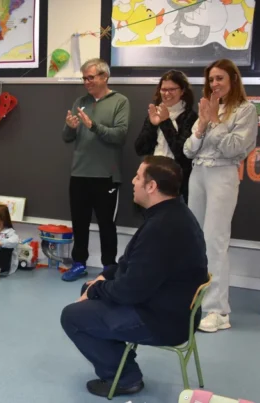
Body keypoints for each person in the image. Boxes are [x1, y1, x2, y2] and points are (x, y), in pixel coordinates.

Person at [60, 156, 208, 398]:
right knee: (89, 290)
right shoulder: (171, 214)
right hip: (172, 309)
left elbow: (130, 291)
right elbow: (130, 263)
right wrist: (103, 278)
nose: (133, 181)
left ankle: (126, 379)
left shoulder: (162, 228)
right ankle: (121, 363)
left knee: (72, 316)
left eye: (138, 177)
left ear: (151, 187)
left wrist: (97, 289)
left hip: (163, 320)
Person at [183, 59, 258, 333]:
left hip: (223, 175)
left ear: (233, 80)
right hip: (198, 174)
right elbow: (189, 150)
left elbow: (233, 149)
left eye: (220, 79)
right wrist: (202, 124)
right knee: (196, 241)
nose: (214, 84)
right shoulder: (208, 106)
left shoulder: (245, 110)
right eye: (211, 79)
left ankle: (218, 311)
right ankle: (198, 302)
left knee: (215, 241)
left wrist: (215, 122)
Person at [62, 58, 131, 282]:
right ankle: (79, 263)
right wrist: (70, 128)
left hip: (106, 177)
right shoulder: (80, 101)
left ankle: (109, 267)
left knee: (106, 225)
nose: (87, 82)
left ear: (104, 77)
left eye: (91, 77)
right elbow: (67, 138)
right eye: (84, 78)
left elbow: (119, 135)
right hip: (79, 174)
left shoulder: (120, 101)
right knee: (79, 223)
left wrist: (93, 126)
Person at [135, 70, 197, 202]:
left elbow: (182, 153)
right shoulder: (154, 113)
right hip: (152, 175)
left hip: (176, 180)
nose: (167, 94)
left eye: (172, 89)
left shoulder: (190, 117)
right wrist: (152, 125)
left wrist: (165, 122)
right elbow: (140, 148)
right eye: (163, 89)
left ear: (182, 91)